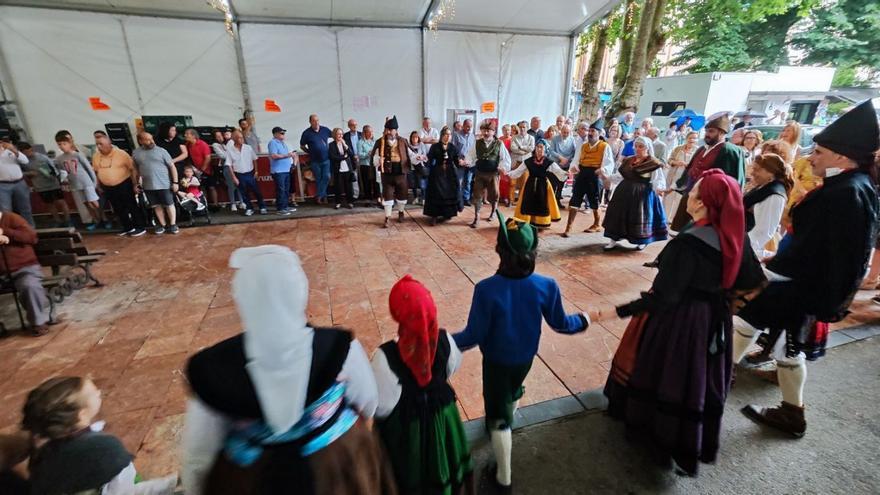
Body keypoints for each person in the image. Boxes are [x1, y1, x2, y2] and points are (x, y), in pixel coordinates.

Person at [182, 245, 392, 495]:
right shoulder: (338, 347)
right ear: (299, 291)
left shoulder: (214, 370)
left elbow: (199, 451)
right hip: (334, 468)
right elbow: (367, 401)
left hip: (252, 477)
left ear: (242, 297)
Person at [597, 169, 763, 476]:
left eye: (695, 191)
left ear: (703, 203)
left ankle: (656, 436)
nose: (690, 194)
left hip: (679, 322)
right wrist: (723, 305)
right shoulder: (735, 235)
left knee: (668, 373)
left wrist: (619, 311)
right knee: (696, 378)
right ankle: (684, 439)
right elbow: (753, 281)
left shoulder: (689, 242)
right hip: (713, 319)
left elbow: (665, 296)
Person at [732, 99, 880, 437]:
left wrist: (774, 268)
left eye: (819, 152)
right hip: (799, 281)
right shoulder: (849, 187)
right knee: (764, 332)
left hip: (800, 286)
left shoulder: (845, 192)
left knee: (779, 343)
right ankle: (773, 401)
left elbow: (829, 254)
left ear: (842, 157)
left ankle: (787, 412)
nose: (810, 157)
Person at [453, 212, 592, 492]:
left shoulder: (486, 289)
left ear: (499, 251)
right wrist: (584, 320)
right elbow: (562, 324)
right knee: (514, 388)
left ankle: (503, 477)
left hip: (496, 361)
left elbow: (473, 335)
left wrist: (442, 341)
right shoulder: (546, 285)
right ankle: (506, 417)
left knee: (498, 413)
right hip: (526, 357)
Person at [372, 275, 473, 494]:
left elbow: (380, 407)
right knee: (448, 471)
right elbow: (450, 368)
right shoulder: (447, 343)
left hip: (408, 432)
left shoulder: (384, 358)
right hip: (444, 420)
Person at [21, 376, 177, 494]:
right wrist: (171, 483)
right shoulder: (102, 448)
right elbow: (124, 492)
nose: (99, 392)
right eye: (95, 393)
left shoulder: (41, 450)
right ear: (81, 416)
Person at [670, 113, 745, 232]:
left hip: (708, 203)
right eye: (706, 131)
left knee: (699, 234)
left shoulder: (730, 151)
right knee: (680, 232)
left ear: (721, 132)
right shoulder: (701, 148)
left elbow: (734, 181)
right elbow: (690, 170)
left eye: (711, 131)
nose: (707, 135)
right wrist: (674, 186)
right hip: (690, 197)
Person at [602, 136, 667, 251]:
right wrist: (607, 177)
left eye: (641, 147)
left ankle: (642, 241)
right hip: (623, 192)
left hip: (642, 194)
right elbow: (619, 176)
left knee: (639, 217)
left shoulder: (653, 163)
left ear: (647, 148)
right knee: (617, 215)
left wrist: (659, 188)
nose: (637, 149)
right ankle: (613, 239)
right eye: (636, 146)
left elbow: (658, 179)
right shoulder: (628, 160)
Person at [0, 210, 56, 335]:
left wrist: (6, 232)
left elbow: (32, 237)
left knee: (29, 285)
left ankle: (38, 322)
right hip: (2, 273)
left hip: (23, 268)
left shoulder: (11, 218)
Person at [564, 121, 615, 236]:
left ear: (599, 133)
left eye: (593, 131)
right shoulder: (584, 146)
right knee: (575, 199)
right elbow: (576, 159)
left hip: (595, 176)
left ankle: (597, 224)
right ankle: (569, 226)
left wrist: (602, 170)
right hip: (582, 174)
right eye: (589, 131)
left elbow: (609, 163)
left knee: (594, 200)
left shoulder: (604, 146)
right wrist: (574, 167)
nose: (590, 133)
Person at [91, 133, 146, 237]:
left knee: (131, 206)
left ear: (109, 143)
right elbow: (97, 171)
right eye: (97, 144)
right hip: (107, 186)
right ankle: (127, 227)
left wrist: (135, 184)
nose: (98, 146)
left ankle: (140, 227)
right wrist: (98, 185)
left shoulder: (121, 154)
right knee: (118, 207)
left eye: (101, 144)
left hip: (124, 184)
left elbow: (133, 168)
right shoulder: (96, 156)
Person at [510, 139, 567, 229]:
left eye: (541, 147)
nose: (539, 149)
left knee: (542, 202)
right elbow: (518, 172)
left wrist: (567, 173)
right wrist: (507, 173)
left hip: (543, 185)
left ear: (545, 149)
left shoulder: (548, 162)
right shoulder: (528, 161)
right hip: (530, 184)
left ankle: (540, 222)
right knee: (528, 202)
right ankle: (527, 220)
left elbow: (558, 171)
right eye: (538, 147)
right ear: (535, 148)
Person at [743, 153, 792, 258]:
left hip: (752, 247)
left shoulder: (774, 195)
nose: (752, 173)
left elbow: (764, 231)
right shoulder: (765, 186)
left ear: (771, 172)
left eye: (757, 170)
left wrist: (744, 249)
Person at [55, 131, 104, 231]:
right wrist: (65, 182)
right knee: (86, 203)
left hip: (87, 183)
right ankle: (96, 221)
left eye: (64, 144)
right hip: (75, 185)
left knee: (94, 202)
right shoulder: (59, 158)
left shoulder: (77, 155)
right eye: (59, 144)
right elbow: (63, 172)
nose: (62, 146)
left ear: (70, 143)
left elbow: (89, 169)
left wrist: (94, 182)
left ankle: (103, 219)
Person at [466, 120, 511, 228]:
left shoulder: (499, 144)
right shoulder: (477, 143)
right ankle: (476, 217)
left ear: (493, 131)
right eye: (484, 131)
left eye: (488, 131)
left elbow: (504, 158)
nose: (486, 133)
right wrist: (467, 162)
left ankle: (493, 212)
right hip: (480, 173)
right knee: (477, 195)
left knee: (494, 194)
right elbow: (471, 156)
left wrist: (502, 167)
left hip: (493, 174)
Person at [133, 132, 179, 235]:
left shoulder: (162, 151)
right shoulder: (136, 153)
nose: (151, 141)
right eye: (147, 140)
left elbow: (172, 166)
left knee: (169, 204)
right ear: (140, 141)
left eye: (151, 138)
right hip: (148, 185)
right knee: (155, 205)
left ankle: (173, 224)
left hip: (164, 183)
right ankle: (162, 224)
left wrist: (175, 182)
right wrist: (136, 183)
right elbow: (136, 170)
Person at [372, 116, 412, 228]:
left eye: (391, 129)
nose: (389, 132)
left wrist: (417, 158)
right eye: (387, 129)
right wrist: (378, 160)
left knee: (402, 194)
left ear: (396, 130)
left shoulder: (403, 141)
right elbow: (375, 157)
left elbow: (410, 154)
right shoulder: (380, 142)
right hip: (387, 174)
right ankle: (387, 217)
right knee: (387, 195)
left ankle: (401, 212)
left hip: (401, 172)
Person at [19, 142, 69, 228]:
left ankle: (68, 220)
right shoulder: (23, 161)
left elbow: (54, 169)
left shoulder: (42, 158)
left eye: (28, 151)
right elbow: (20, 172)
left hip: (53, 184)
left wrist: (53, 175)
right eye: (24, 153)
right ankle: (58, 221)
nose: (27, 154)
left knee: (61, 202)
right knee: (50, 204)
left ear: (31, 149)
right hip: (40, 186)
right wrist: (28, 173)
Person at [423, 127, 461, 225]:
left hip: (449, 174)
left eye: (449, 135)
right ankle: (434, 216)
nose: (448, 137)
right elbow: (429, 159)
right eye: (446, 135)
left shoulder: (452, 147)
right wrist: (424, 159)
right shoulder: (435, 146)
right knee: (436, 192)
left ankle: (447, 213)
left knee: (449, 192)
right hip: (437, 173)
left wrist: (462, 162)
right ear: (442, 135)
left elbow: (456, 161)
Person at [226, 129, 267, 217]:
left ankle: (262, 207)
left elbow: (254, 159)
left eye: (242, 137)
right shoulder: (230, 150)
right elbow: (229, 165)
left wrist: (256, 171)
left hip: (250, 173)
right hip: (239, 174)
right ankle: (249, 208)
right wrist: (234, 177)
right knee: (244, 193)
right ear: (234, 139)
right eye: (239, 138)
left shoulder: (248, 148)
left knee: (257, 191)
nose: (242, 139)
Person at [662, 131, 699, 224]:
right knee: (669, 197)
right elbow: (669, 160)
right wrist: (677, 163)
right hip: (674, 175)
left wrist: (689, 166)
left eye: (694, 138)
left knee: (679, 199)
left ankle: (673, 219)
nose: (692, 140)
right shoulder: (678, 148)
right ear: (686, 138)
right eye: (690, 138)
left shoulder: (698, 151)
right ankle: (664, 217)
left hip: (686, 178)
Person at [0, 138, 34, 225]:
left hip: (20, 183)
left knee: (26, 209)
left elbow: (25, 161)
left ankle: (30, 231)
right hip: (3, 186)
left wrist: (14, 150)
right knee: (6, 211)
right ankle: (12, 234)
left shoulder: (11, 151)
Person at [300, 114, 333, 204]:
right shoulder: (306, 133)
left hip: (326, 159)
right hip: (315, 160)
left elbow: (334, 136)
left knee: (326, 177)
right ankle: (324, 197)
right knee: (318, 179)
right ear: (310, 122)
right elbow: (302, 146)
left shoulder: (325, 130)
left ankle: (319, 195)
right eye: (314, 121)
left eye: (317, 120)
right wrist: (309, 151)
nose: (316, 122)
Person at [212, 129, 245, 212]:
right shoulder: (215, 145)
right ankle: (233, 203)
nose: (220, 137)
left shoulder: (229, 142)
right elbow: (223, 156)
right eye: (217, 136)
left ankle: (242, 202)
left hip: (237, 166)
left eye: (221, 135)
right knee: (231, 186)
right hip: (227, 167)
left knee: (239, 184)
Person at [267, 126, 297, 215]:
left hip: (286, 170)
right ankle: (280, 208)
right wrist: (287, 155)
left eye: (284, 133)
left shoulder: (282, 143)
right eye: (281, 133)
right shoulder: (273, 143)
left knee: (286, 189)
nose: (283, 135)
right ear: (275, 134)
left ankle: (285, 206)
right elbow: (274, 156)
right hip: (278, 171)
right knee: (281, 190)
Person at [184, 128, 218, 207]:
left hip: (207, 170)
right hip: (195, 170)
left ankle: (216, 205)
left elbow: (208, 158)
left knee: (211, 187)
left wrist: (202, 170)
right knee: (201, 188)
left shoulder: (203, 144)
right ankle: (204, 205)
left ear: (193, 135)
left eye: (187, 134)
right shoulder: (187, 145)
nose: (185, 135)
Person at [548, 124, 577, 205]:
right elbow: (551, 151)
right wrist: (560, 158)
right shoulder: (555, 138)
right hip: (555, 164)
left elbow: (574, 152)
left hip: (566, 165)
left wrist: (566, 160)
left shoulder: (572, 139)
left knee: (561, 185)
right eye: (564, 132)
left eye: (567, 133)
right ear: (561, 131)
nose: (565, 134)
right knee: (553, 184)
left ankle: (557, 201)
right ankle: (550, 202)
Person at [508, 121, 535, 207]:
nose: (522, 129)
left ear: (527, 128)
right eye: (520, 127)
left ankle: (520, 200)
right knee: (512, 182)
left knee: (524, 183)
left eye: (524, 127)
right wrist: (524, 151)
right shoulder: (514, 137)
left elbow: (531, 148)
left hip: (526, 164)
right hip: (516, 162)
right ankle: (511, 200)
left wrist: (521, 147)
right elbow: (513, 148)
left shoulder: (531, 138)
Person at [328, 128, 356, 209]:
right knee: (338, 187)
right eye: (338, 134)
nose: (340, 135)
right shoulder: (331, 145)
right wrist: (343, 157)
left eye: (341, 134)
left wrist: (345, 145)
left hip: (347, 168)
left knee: (349, 187)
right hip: (338, 168)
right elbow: (332, 157)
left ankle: (350, 202)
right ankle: (338, 202)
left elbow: (351, 154)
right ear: (334, 135)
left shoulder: (346, 142)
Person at [452, 119, 476, 208]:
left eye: (471, 126)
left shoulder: (472, 136)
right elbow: (453, 149)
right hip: (460, 162)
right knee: (459, 181)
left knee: (468, 181)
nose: (469, 128)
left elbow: (474, 150)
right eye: (467, 126)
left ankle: (466, 199)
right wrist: (459, 160)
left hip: (469, 162)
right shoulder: (457, 135)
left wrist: (471, 160)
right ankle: (457, 199)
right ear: (463, 125)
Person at [357, 125, 379, 206]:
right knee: (367, 183)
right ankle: (368, 199)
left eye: (371, 131)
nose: (370, 133)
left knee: (376, 182)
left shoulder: (375, 141)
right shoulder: (360, 142)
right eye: (368, 132)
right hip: (365, 165)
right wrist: (367, 154)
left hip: (375, 164)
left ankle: (377, 198)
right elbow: (359, 154)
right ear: (364, 133)